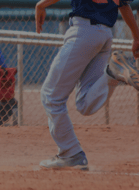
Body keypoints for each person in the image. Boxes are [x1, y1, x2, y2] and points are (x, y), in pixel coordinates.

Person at [36, 0, 139, 170]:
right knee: (84, 104)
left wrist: (41, 5)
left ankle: (71, 153)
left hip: (83, 31)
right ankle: (112, 74)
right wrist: (136, 36)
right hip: (105, 34)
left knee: (51, 95)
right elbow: (124, 5)